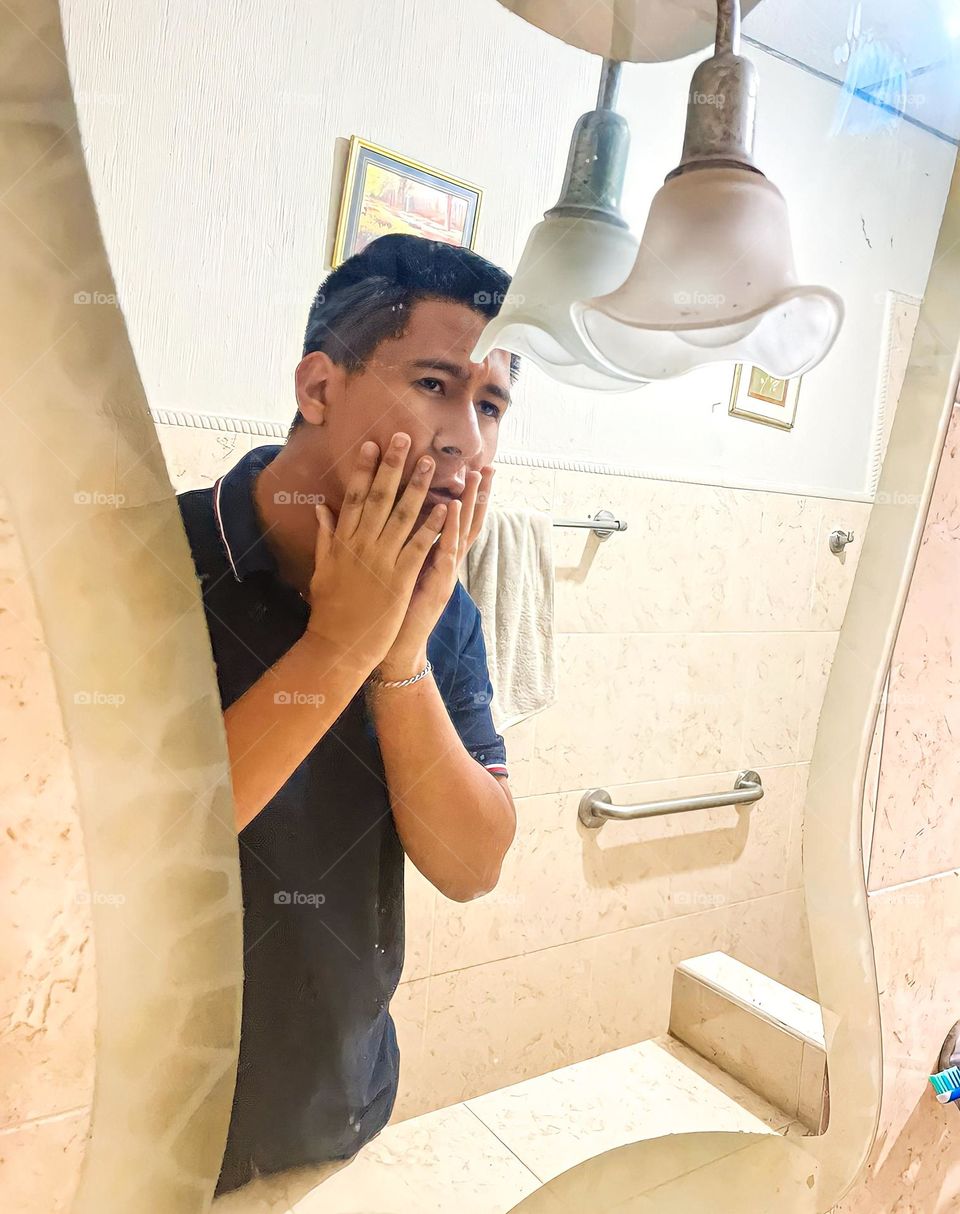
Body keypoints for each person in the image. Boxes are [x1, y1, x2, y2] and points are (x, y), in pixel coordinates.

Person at [176, 234, 519, 1195]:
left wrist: (398, 658)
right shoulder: (153, 558)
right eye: (436, 384)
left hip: (336, 1109)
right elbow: (132, 851)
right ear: (319, 388)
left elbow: (472, 867)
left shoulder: (441, 606)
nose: (467, 440)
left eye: (491, 405)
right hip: (138, 1125)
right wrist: (337, 647)